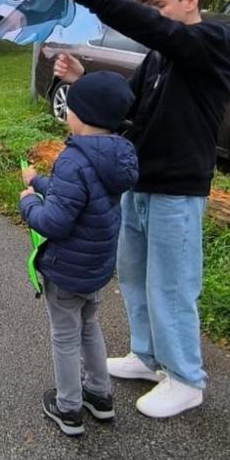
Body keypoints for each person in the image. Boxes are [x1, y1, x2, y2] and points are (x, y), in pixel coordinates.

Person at [45, 0, 230, 419]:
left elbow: (162, 33)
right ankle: (147, 356)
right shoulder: (163, 55)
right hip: (138, 181)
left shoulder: (214, 44)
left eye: (160, 5)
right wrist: (82, 79)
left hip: (178, 189)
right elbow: (131, 104)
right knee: (134, 276)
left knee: (172, 285)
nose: (155, 16)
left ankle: (186, 378)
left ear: (190, 0)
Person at [20, 72, 138, 437]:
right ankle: (100, 396)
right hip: (96, 265)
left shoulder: (73, 159)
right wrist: (37, 182)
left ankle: (68, 407)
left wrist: (27, 204)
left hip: (66, 268)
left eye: (70, 106)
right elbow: (76, 193)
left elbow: (54, 221)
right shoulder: (118, 153)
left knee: (64, 335)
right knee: (89, 326)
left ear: (81, 116)